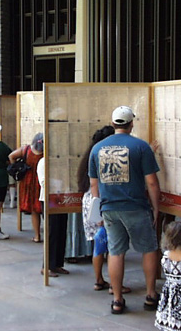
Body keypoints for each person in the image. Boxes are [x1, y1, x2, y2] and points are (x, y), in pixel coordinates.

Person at [88, 106, 160, 315]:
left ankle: (118, 300)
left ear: (113, 124)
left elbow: (94, 184)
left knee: (116, 252)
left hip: (109, 208)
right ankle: (150, 295)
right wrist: (156, 208)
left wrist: (98, 209)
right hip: (136, 206)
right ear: (131, 124)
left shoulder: (97, 149)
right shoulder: (141, 147)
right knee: (148, 249)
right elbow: (152, 183)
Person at [78, 125, 131, 294]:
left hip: (90, 203)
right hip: (102, 201)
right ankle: (115, 285)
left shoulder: (89, 155)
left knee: (98, 244)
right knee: (113, 246)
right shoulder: (106, 157)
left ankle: (99, 280)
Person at [8, 133, 44, 242]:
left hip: (28, 181)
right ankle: (48, 234)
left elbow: (11, 156)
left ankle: (37, 236)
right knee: (44, 209)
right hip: (41, 181)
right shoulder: (46, 153)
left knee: (34, 210)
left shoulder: (26, 150)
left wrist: (18, 168)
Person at [37, 157, 69, 277]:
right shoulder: (43, 162)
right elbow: (44, 182)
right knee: (52, 232)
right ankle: (47, 266)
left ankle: (57, 263)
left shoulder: (59, 160)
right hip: (49, 199)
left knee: (61, 230)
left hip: (62, 198)